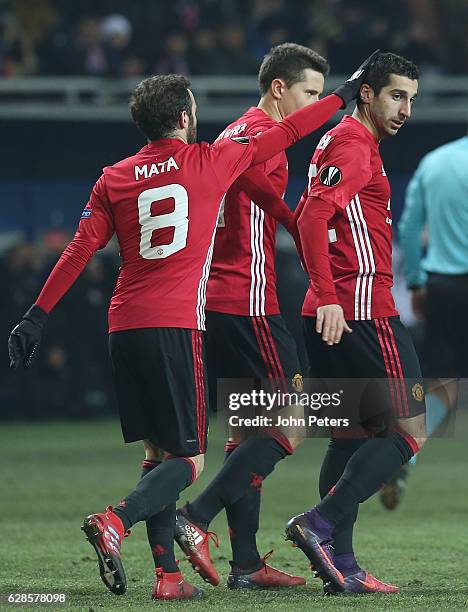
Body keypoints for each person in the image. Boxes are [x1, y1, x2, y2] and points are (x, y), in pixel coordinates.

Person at [7, 58, 375, 601]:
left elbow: (81, 247)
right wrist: (342, 97)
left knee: (157, 453)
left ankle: (168, 578)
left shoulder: (114, 176)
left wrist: (36, 315)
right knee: (189, 460)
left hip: (121, 326)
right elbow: (292, 130)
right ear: (183, 117)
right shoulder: (211, 160)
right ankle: (119, 518)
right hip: (176, 324)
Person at [174, 42, 329, 589]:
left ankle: (245, 564)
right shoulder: (257, 136)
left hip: (216, 299)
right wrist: (294, 222)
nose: (314, 104)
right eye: (309, 92)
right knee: (296, 420)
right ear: (279, 88)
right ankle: (196, 514)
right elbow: (259, 190)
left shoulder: (231, 135)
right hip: (248, 299)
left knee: (247, 431)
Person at [285, 52, 427, 595]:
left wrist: (323, 295)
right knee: (409, 432)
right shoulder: (353, 143)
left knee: (349, 439)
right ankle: (318, 524)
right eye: (396, 95)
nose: (405, 109)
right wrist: (331, 293)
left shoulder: (341, 140)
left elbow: (307, 214)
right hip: (362, 312)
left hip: (331, 312)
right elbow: (313, 216)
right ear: (365, 93)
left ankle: (342, 563)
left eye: (411, 98)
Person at [384, 134, 468, 508]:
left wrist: (416, 282)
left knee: (441, 385)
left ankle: (405, 456)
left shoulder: (435, 161)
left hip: (443, 285)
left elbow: (407, 227)